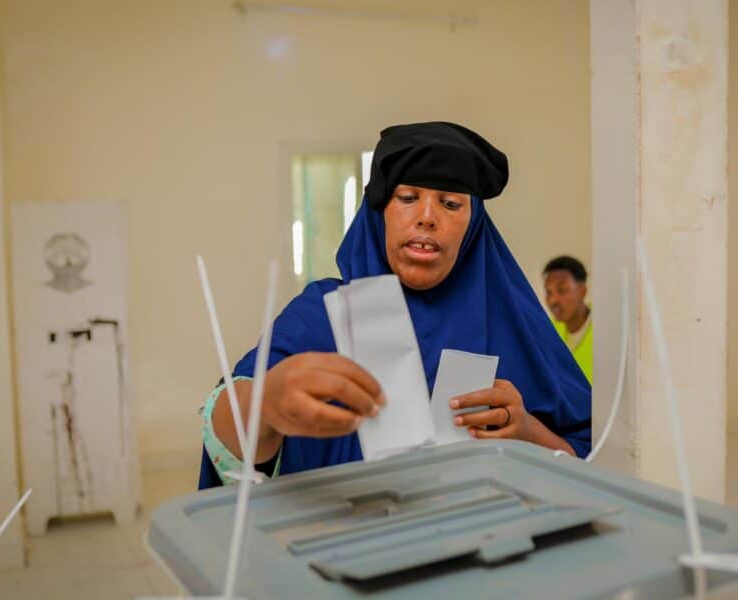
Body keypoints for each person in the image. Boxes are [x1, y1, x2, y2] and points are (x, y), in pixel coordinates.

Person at [199, 122, 591, 488]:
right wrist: (267, 405)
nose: (426, 217)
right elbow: (225, 433)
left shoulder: (515, 323)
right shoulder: (325, 314)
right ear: (378, 213)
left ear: (473, 227)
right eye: (407, 198)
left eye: (450, 204)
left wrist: (525, 431)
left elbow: (588, 463)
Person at [542, 256, 593, 383]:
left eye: (562, 290)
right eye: (549, 292)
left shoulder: (606, 327)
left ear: (582, 291)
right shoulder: (550, 330)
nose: (553, 300)